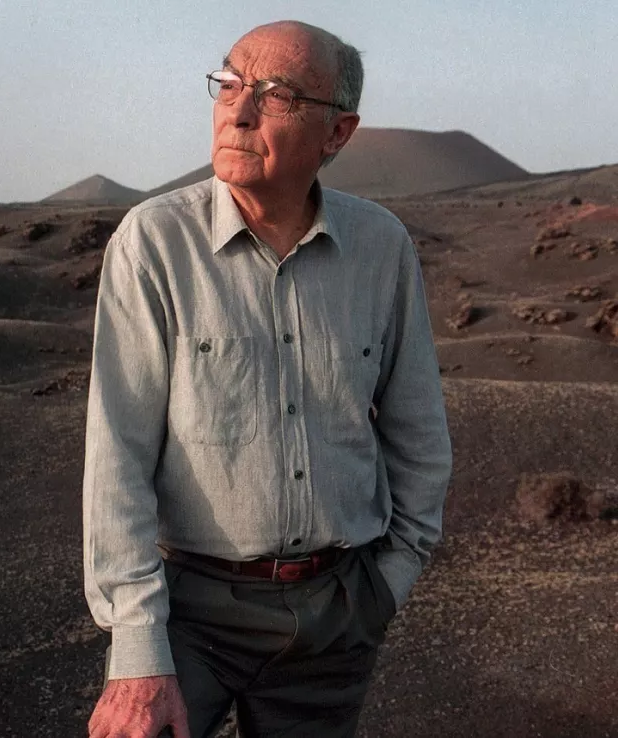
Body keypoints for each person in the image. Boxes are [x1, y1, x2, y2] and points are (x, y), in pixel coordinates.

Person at [81, 20, 453, 738]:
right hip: (190, 613)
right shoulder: (154, 243)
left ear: (337, 132)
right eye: (228, 83)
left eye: (275, 94)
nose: (238, 110)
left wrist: (387, 584)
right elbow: (116, 457)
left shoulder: (381, 248)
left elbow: (418, 432)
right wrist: (135, 651)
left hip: (335, 613)